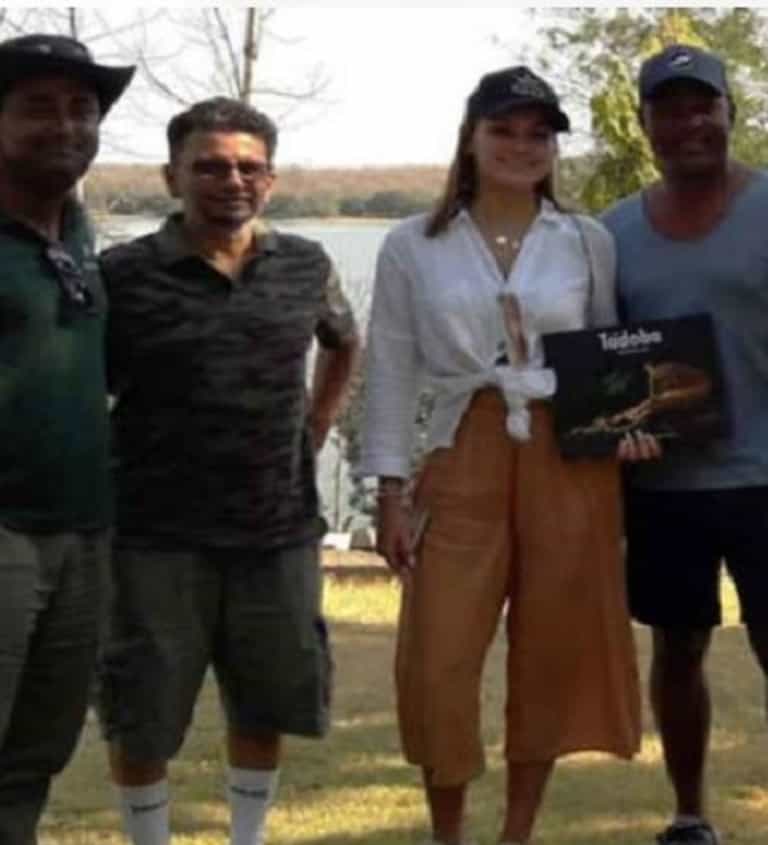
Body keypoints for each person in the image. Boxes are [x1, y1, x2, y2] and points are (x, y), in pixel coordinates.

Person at [359, 65, 650, 845]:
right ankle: (447, 832)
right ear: (471, 138)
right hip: (462, 443)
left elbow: (609, 355)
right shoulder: (413, 244)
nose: (522, 146)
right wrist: (388, 491)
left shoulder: (585, 240)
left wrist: (634, 424)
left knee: (552, 646)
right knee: (439, 657)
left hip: (567, 454)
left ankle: (517, 834)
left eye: (538, 133)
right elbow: (389, 369)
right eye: (504, 130)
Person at [602, 44, 768, 845]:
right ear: (645, 124)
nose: (688, 124)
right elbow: (604, 364)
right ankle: (690, 815)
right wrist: (613, 441)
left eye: (703, 106)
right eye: (669, 110)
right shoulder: (613, 232)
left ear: (729, 113)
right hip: (663, 487)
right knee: (676, 647)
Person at [97, 97, 360, 845]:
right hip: (153, 537)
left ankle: (247, 836)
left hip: (276, 532)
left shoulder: (304, 265)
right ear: (172, 177)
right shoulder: (123, 275)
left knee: (264, 705)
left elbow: (344, 340)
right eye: (210, 167)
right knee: (142, 713)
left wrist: (317, 423)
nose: (231, 181)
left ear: (270, 179)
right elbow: (84, 386)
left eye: (249, 167)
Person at [0, 33, 133, 845]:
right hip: (4, 532)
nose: (66, 125)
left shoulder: (77, 236)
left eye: (83, 109)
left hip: (82, 533)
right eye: (38, 107)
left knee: (34, 753)